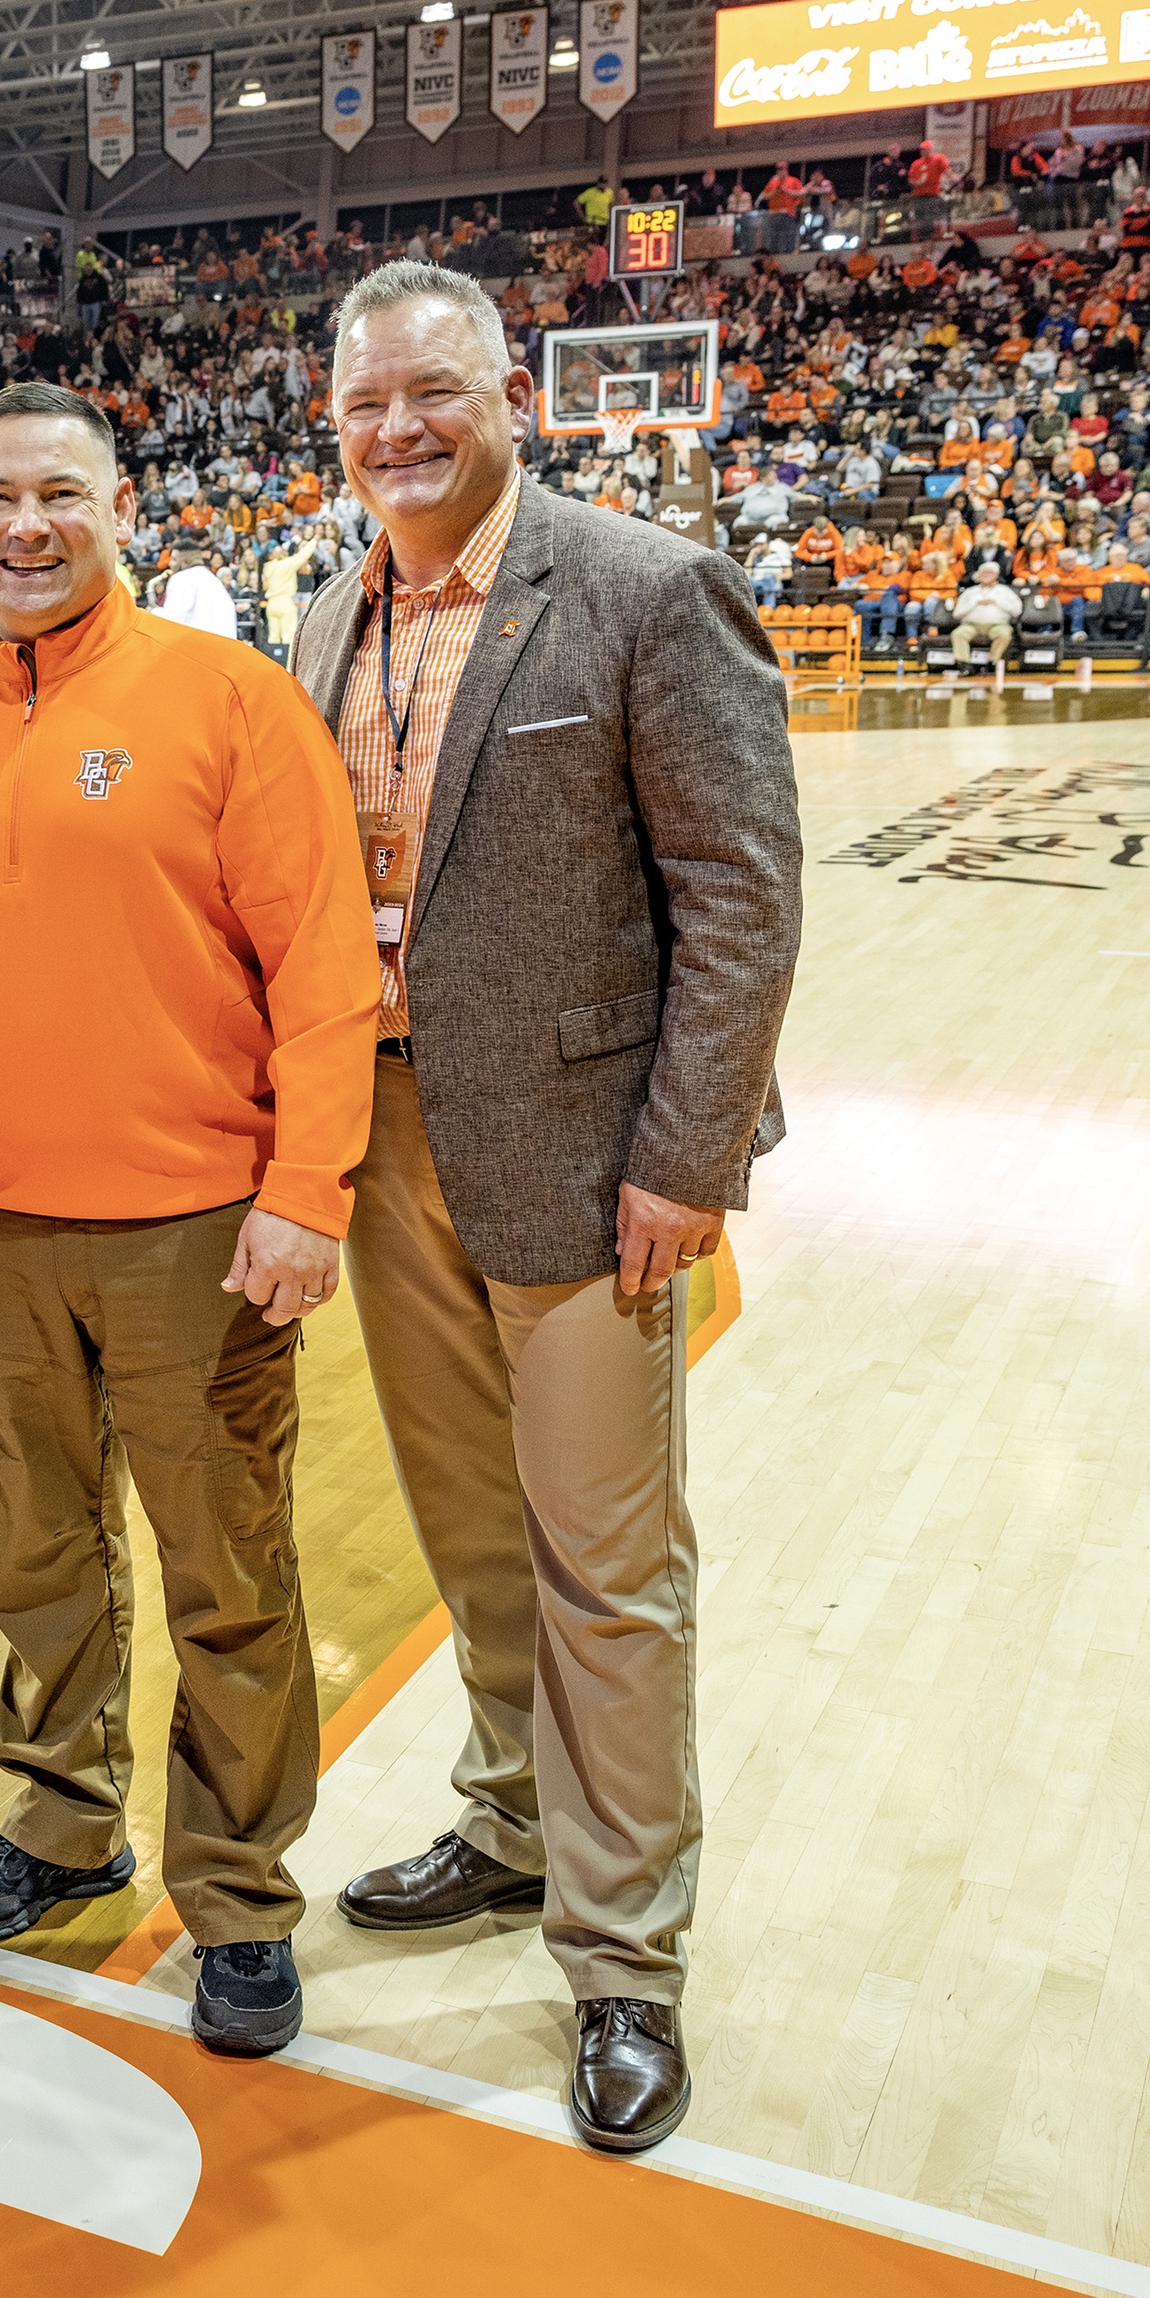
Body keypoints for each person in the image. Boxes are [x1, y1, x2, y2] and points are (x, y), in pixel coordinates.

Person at [290, 261, 800, 2156]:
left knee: (608, 1563)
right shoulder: (324, 607)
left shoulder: (642, 588)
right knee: (470, 1536)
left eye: (430, 393)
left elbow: (740, 895)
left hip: (590, 1164)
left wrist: (686, 1154)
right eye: (363, 405)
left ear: (509, 397)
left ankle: (621, 1958)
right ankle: (512, 1823)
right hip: (386, 1139)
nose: (397, 429)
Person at [0, 380, 379, 2061]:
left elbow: (319, 971)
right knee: (32, 1551)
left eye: (58, 494)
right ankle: (62, 1827)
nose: (23, 524)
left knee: (226, 1568)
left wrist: (306, 1190)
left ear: (119, 508)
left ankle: (235, 1896)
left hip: (196, 1227)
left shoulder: (225, 700)